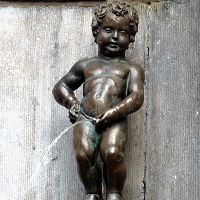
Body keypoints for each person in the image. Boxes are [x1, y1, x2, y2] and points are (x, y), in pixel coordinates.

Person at [52, 1, 144, 200]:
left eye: (123, 33)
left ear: (131, 38)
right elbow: (61, 87)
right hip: (85, 118)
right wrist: (71, 103)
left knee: (112, 153)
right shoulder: (86, 65)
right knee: (83, 154)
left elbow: (137, 96)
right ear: (96, 31)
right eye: (108, 29)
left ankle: (114, 194)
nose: (115, 37)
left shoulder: (131, 69)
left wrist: (114, 113)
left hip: (115, 120)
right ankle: (92, 193)